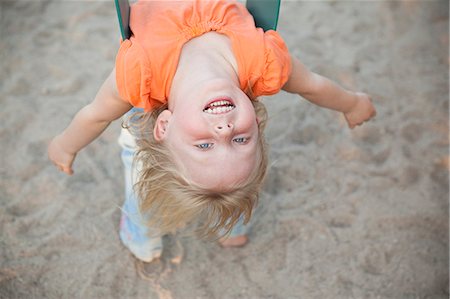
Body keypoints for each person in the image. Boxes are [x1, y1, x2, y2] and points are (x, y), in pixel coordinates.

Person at [48, 0, 376, 262]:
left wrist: (65, 145)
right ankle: (232, 226)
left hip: (149, 104)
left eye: (204, 144)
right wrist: (350, 103)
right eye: (241, 139)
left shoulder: (139, 74)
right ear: (257, 124)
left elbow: (93, 116)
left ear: (165, 125)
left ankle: (142, 236)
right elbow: (314, 86)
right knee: (236, 181)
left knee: (141, 165)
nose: (223, 129)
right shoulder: (264, 62)